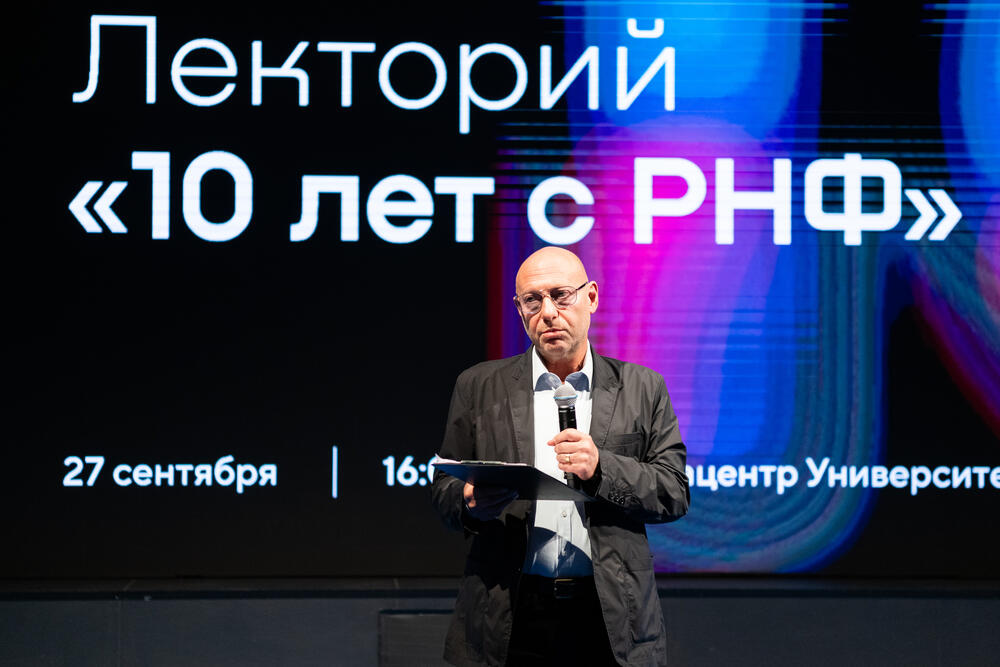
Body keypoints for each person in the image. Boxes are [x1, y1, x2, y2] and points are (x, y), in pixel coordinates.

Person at [431, 247, 689, 666]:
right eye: (532, 300)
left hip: (609, 615)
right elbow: (443, 488)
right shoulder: (478, 386)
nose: (548, 312)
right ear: (519, 310)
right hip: (509, 611)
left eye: (560, 295)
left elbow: (673, 493)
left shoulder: (643, 388)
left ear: (591, 297)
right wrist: (468, 500)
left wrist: (602, 468)